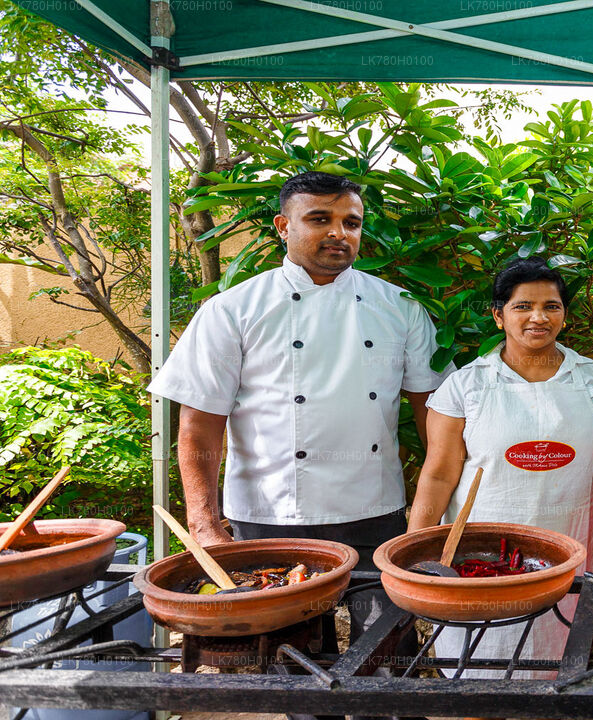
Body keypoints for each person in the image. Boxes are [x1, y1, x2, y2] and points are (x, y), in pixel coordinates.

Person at [149, 170, 452, 639]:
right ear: (282, 227)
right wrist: (205, 526)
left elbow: (431, 413)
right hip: (271, 514)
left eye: (351, 223)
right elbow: (199, 426)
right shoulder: (234, 309)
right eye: (319, 219)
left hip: (373, 506)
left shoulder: (400, 307)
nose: (338, 232)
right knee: (293, 657)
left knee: (388, 646)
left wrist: (429, 516)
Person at [409, 256, 593, 678]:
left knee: (552, 667)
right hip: (481, 556)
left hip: (569, 550)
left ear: (564, 314)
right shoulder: (465, 386)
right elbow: (437, 474)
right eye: (523, 306)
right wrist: (416, 548)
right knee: (476, 669)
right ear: (498, 315)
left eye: (551, 306)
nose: (538, 317)